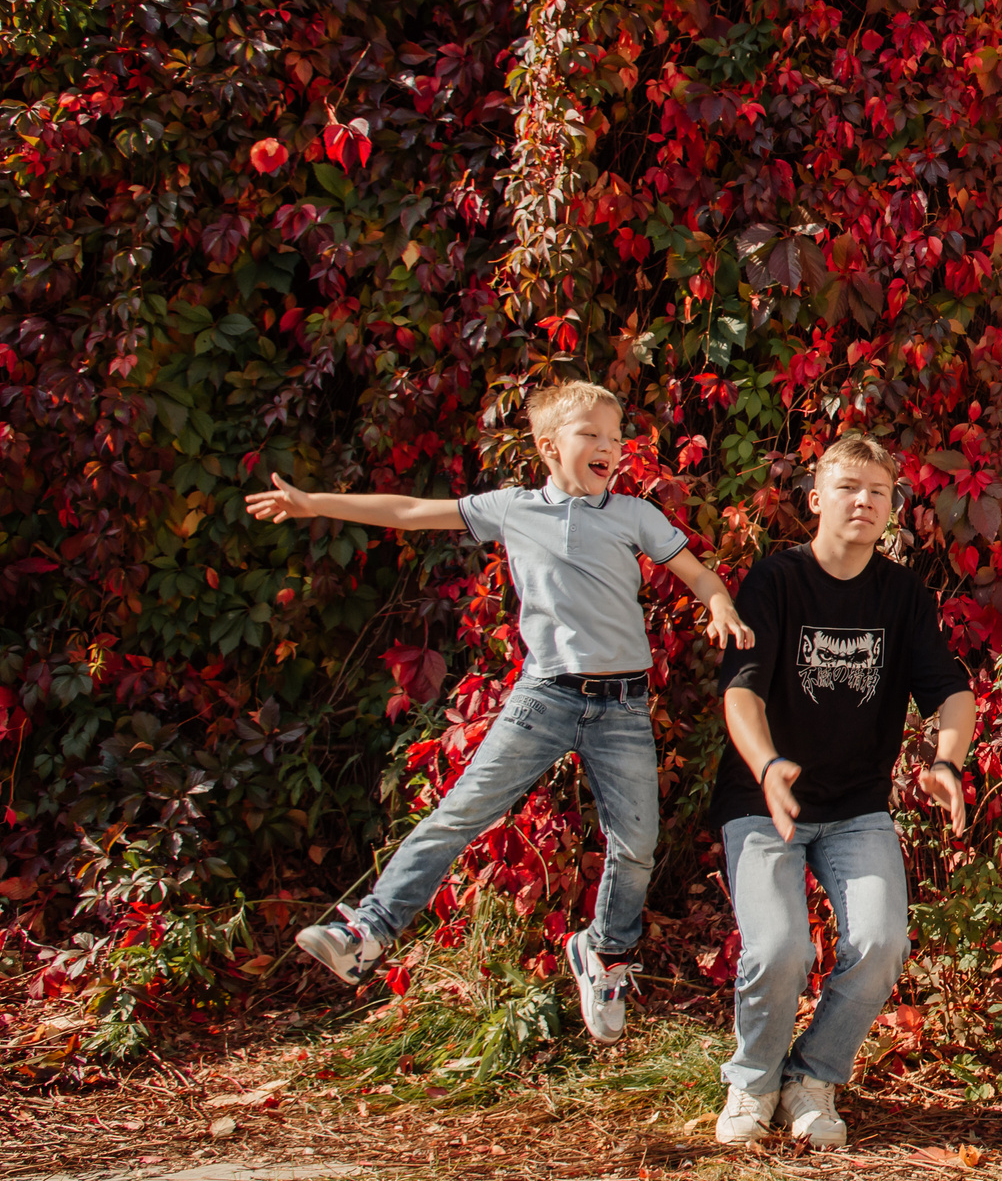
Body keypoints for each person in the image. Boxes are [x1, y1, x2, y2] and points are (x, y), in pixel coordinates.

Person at [246, 380, 752, 1043]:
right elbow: (407, 509)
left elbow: (700, 573)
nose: (609, 446)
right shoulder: (512, 509)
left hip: (622, 705)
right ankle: (367, 931)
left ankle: (604, 954)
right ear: (548, 446)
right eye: (591, 435)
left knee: (636, 846)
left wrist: (717, 602)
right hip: (543, 697)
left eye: (614, 435)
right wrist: (313, 501)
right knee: (459, 813)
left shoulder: (634, 515)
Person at [710, 432, 976, 1148]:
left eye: (879, 492)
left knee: (884, 940)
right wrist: (768, 765)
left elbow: (950, 691)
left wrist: (946, 763)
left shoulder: (901, 592)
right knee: (779, 948)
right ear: (816, 498)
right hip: (762, 802)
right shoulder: (777, 580)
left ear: (891, 507)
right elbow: (740, 693)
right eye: (849, 487)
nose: (864, 501)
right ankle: (753, 1081)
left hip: (857, 806)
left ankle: (814, 1075)